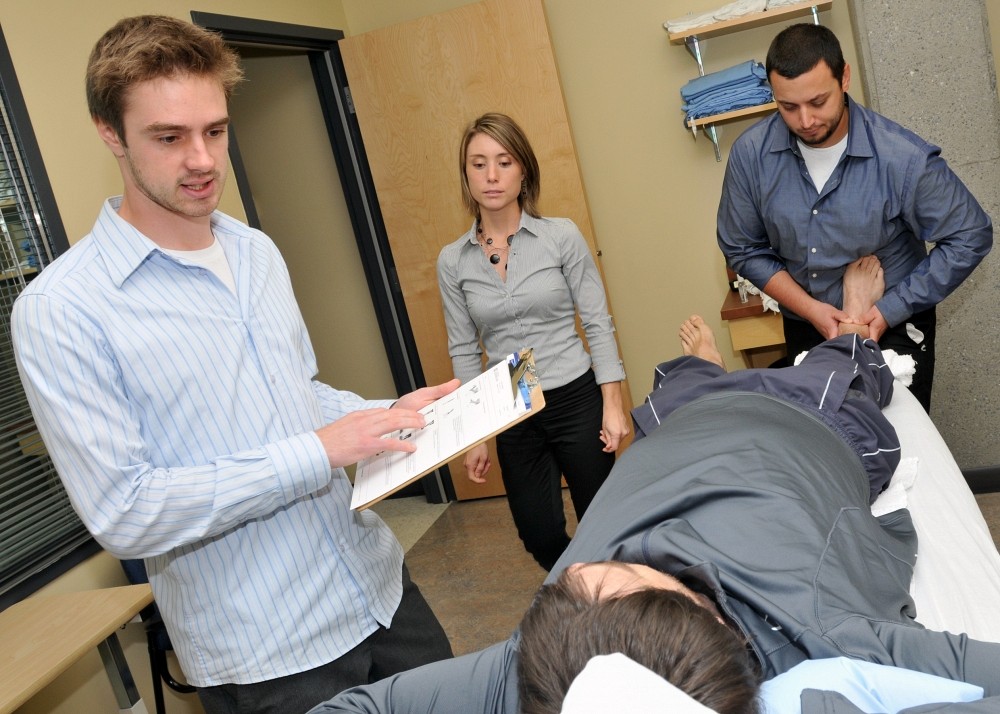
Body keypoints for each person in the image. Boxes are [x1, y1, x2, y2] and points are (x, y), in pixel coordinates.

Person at [11, 15, 458, 714]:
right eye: (169, 137)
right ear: (109, 132)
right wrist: (318, 451)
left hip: (379, 590)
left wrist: (387, 417)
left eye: (215, 131)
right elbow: (126, 510)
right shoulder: (63, 311)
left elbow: (296, 393)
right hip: (269, 653)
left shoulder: (255, 251)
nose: (203, 160)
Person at [306, 302, 1000, 713]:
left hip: (676, 426)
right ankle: (847, 331)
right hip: (799, 424)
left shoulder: (535, 660)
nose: (605, 555)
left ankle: (731, 357)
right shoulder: (828, 631)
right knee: (845, 360)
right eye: (622, 570)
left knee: (690, 376)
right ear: (706, 610)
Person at [717, 22, 993, 412]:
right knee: (823, 447)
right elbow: (741, 247)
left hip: (892, 324)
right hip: (807, 323)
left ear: (844, 77)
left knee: (892, 443)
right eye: (788, 107)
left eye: (818, 102)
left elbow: (971, 234)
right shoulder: (751, 156)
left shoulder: (902, 158)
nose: (806, 121)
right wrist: (811, 309)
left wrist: (887, 310)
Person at [436, 112, 628, 570]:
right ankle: (583, 586)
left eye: (503, 162)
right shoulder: (453, 260)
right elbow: (464, 349)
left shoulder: (560, 236)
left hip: (575, 393)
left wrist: (613, 403)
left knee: (604, 523)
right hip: (513, 402)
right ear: (466, 176)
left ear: (523, 170)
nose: (492, 175)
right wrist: (474, 436)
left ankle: (616, 602)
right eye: (478, 164)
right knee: (537, 532)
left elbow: (597, 321)